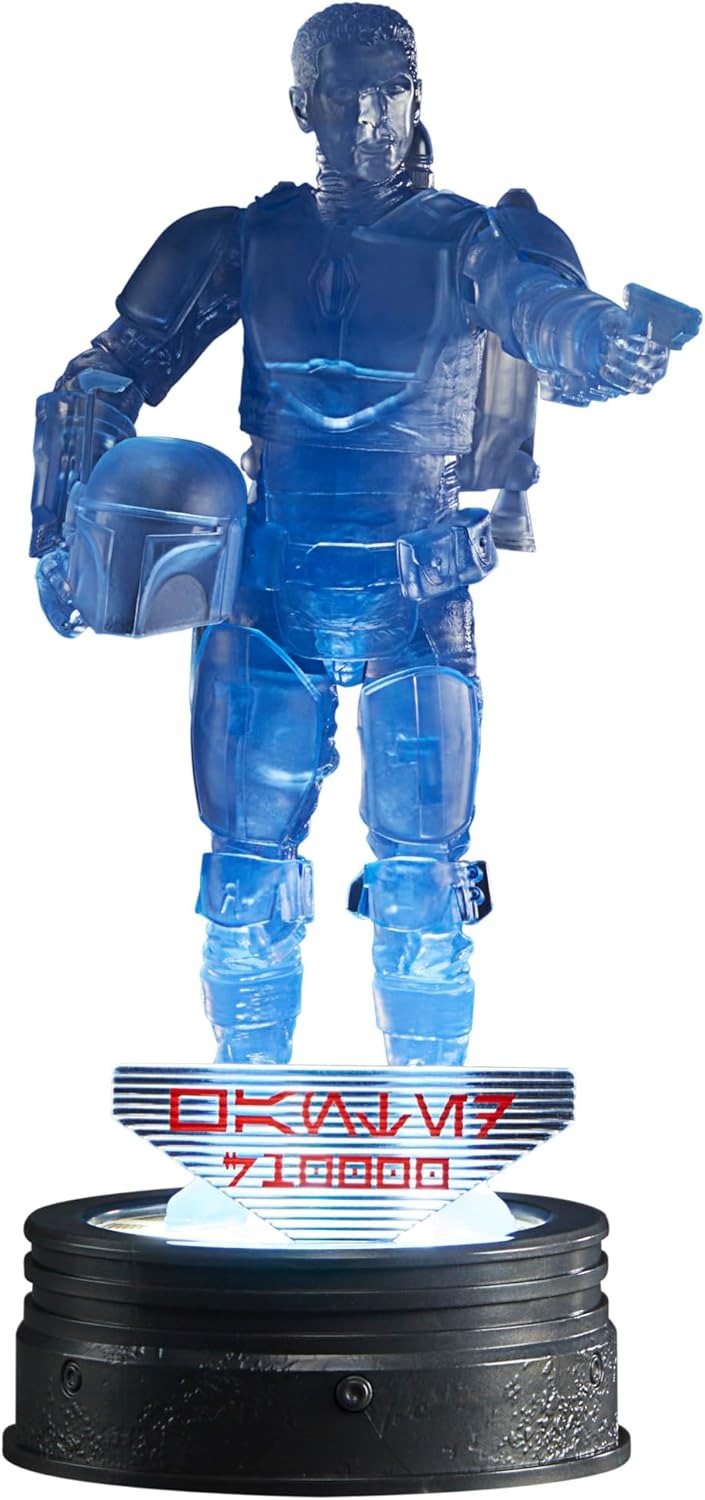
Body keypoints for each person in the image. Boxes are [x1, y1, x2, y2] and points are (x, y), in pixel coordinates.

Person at [29, 4, 697, 1067]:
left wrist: (602, 340)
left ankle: (426, 1114)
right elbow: (104, 376)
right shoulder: (241, 240)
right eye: (344, 93)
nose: (370, 117)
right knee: (244, 881)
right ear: (304, 105)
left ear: (417, 96)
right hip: (267, 590)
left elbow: (539, 308)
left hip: (416, 593)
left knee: (424, 891)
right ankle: (249, 1107)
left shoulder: (472, 243)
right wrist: (63, 530)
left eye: (391, 90)